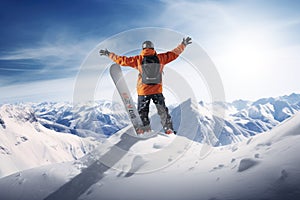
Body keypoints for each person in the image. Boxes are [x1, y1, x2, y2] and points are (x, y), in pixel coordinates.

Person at [99, 37, 192, 134]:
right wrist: (183, 44)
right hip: (157, 90)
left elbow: (122, 60)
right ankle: (168, 129)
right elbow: (174, 54)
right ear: (153, 48)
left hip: (143, 91)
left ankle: (145, 129)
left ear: (143, 49)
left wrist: (109, 54)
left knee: (143, 112)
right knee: (163, 111)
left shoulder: (138, 59)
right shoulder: (161, 58)